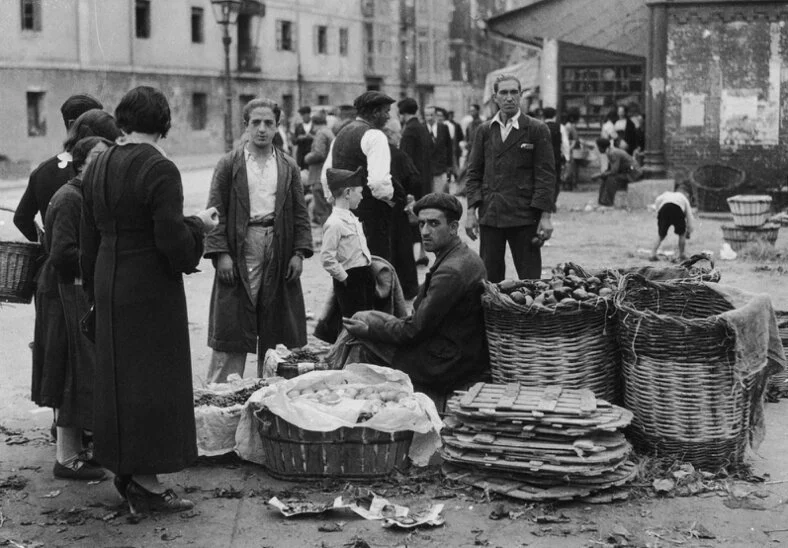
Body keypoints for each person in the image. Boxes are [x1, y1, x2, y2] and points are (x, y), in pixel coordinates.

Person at [80, 86, 219, 512]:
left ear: (123, 120)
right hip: (149, 289)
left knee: (118, 379)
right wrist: (200, 226)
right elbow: (171, 243)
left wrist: (93, 289)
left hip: (109, 279)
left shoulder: (100, 163)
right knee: (153, 381)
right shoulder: (160, 168)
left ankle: (126, 469)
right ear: (163, 122)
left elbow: (90, 235)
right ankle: (147, 483)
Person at [332, 193, 489, 410]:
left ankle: (351, 404)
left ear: (453, 228)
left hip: (447, 361)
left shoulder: (452, 271)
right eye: (422, 223)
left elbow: (414, 330)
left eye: (434, 224)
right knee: (362, 318)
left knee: (360, 340)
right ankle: (348, 393)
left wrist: (370, 331)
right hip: (453, 348)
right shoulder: (460, 256)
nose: (425, 231)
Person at [205, 98, 313, 384]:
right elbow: (215, 211)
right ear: (246, 126)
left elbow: (300, 213)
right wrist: (221, 254)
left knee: (277, 321)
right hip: (242, 244)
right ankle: (224, 395)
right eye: (256, 123)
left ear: (277, 126)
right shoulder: (230, 164)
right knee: (233, 321)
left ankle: (271, 392)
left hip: (279, 244)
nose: (262, 129)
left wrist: (299, 253)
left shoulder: (288, 165)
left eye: (269, 123)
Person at [41, 136, 114, 480]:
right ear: (81, 163)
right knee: (69, 375)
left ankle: (76, 452)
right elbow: (63, 254)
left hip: (72, 294)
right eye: (97, 159)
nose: (103, 165)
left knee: (79, 373)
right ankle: (67, 459)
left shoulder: (84, 194)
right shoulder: (70, 198)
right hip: (64, 296)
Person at [465, 74, 557, 283]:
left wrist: (545, 216)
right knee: (490, 279)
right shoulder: (485, 130)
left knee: (530, 280)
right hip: (491, 213)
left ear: (521, 95)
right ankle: (496, 316)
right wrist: (471, 211)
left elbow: (546, 176)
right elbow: (474, 174)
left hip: (524, 215)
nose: (509, 98)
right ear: (495, 97)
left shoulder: (536, 129)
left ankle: (530, 316)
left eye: (514, 92)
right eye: (503, 93)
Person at [14, 94, 103, 242]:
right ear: (73, 124)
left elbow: (22, 218)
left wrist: (45, 242)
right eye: (96, 123)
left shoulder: (42, 171)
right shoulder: (99, 166)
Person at [321, 91, 396, 261]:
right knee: (376, 267)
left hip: (344, 215)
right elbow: (379, 183)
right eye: (386, 111)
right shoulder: (375, 136)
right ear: (375, 112)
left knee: (347, 268)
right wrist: (390, 200)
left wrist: (335, 201)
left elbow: (326, 176)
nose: (388, 117)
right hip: (371, 216)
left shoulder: (340, 135)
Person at [321, 167, 375, 318]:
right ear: (347, 193)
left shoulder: (352, 217)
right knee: (353, 320)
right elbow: (326, 257)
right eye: (360, 192)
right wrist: (344, 278)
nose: (362, 197)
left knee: (367, 317)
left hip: (364, 274)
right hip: (350, 278)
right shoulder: (335, 223)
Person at [398, 97, 433, 267]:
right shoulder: (423, 128)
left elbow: (405, 159)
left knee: (411, 218)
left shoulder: (408, 131)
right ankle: (422, 252)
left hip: (412, 182)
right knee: (422, 216)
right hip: (425, 180)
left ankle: (416, 254)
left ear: (402, 114)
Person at [304, 110, 335, 226]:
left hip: (319, 175)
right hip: (328, 174)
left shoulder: (321, 133)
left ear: (314, 123)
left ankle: (327, 236)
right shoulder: (328, 132)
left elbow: (319, 153)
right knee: (328, 207)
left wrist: (307, 158)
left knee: (322, 209)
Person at [593, 137, 642, 207]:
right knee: (605, 178)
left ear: (602, 147)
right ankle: (602, 201)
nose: (597, 149)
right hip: (627, 172)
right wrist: (602, 175)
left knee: (611, 179)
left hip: (633, 173)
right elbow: (610, 169)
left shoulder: (613, 153)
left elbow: (614, 171)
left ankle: (608, 202)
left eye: (598, 147)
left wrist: (598, 175)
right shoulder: (611, 152)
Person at [650, 184, 695, 261]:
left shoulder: (667, 194)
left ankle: (653, 254)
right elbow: (689, 217)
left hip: (664, 209)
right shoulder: (684, 198)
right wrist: (689, 231)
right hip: (677, 209)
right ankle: (682, 254)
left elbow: (657, 200)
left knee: (661, 235)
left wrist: (658, 211)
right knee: (682, 234)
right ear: (686, 194)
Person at [424, 105, 452, 194]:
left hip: (441, 168)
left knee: (440, 194)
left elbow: (449, 147)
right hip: (427, 169)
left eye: (431, 115)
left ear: (436, 115)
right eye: (427, 115)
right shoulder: (421, 128)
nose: (429, 118)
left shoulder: (443, 128)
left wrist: (449, 166)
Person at [542, 107, 563, 202]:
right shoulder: (559, 127)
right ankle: (553, 201)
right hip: (556, 157)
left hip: (542, 158)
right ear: (554, 115)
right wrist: (566, 157)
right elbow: (565, 144)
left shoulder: (539, 126)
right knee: (555, 179)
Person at [562, 108, 581, 191]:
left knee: (571, 168)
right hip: (571, 150)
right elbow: (570, 140)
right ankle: (569, 185)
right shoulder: (569, 126)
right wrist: (569, 149)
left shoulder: (569, 125)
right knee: (570, 168)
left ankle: (570, 185)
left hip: (572, 149)